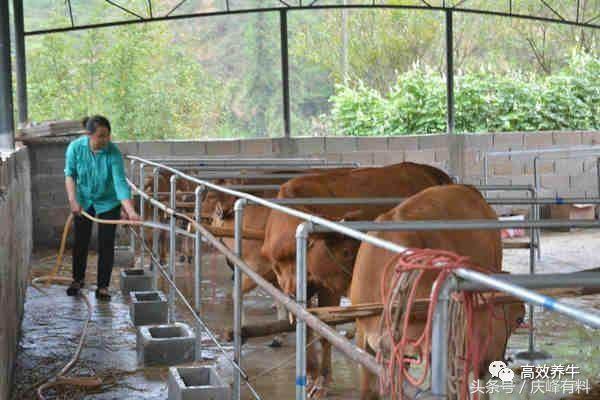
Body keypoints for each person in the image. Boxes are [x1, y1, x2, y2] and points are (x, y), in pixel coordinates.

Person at [64, 115, 141, 301]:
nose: (105, 140)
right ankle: (77, 280)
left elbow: (120, 184)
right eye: (101, 136)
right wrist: (73, 201)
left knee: (106, 245)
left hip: (108, 202)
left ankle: (103, 286)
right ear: (89, 135)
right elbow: (70, 175)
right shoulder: (75, 148)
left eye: (108, 136)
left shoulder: (113, 152)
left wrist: (130, 211)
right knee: (81, 241)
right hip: (84, 201)